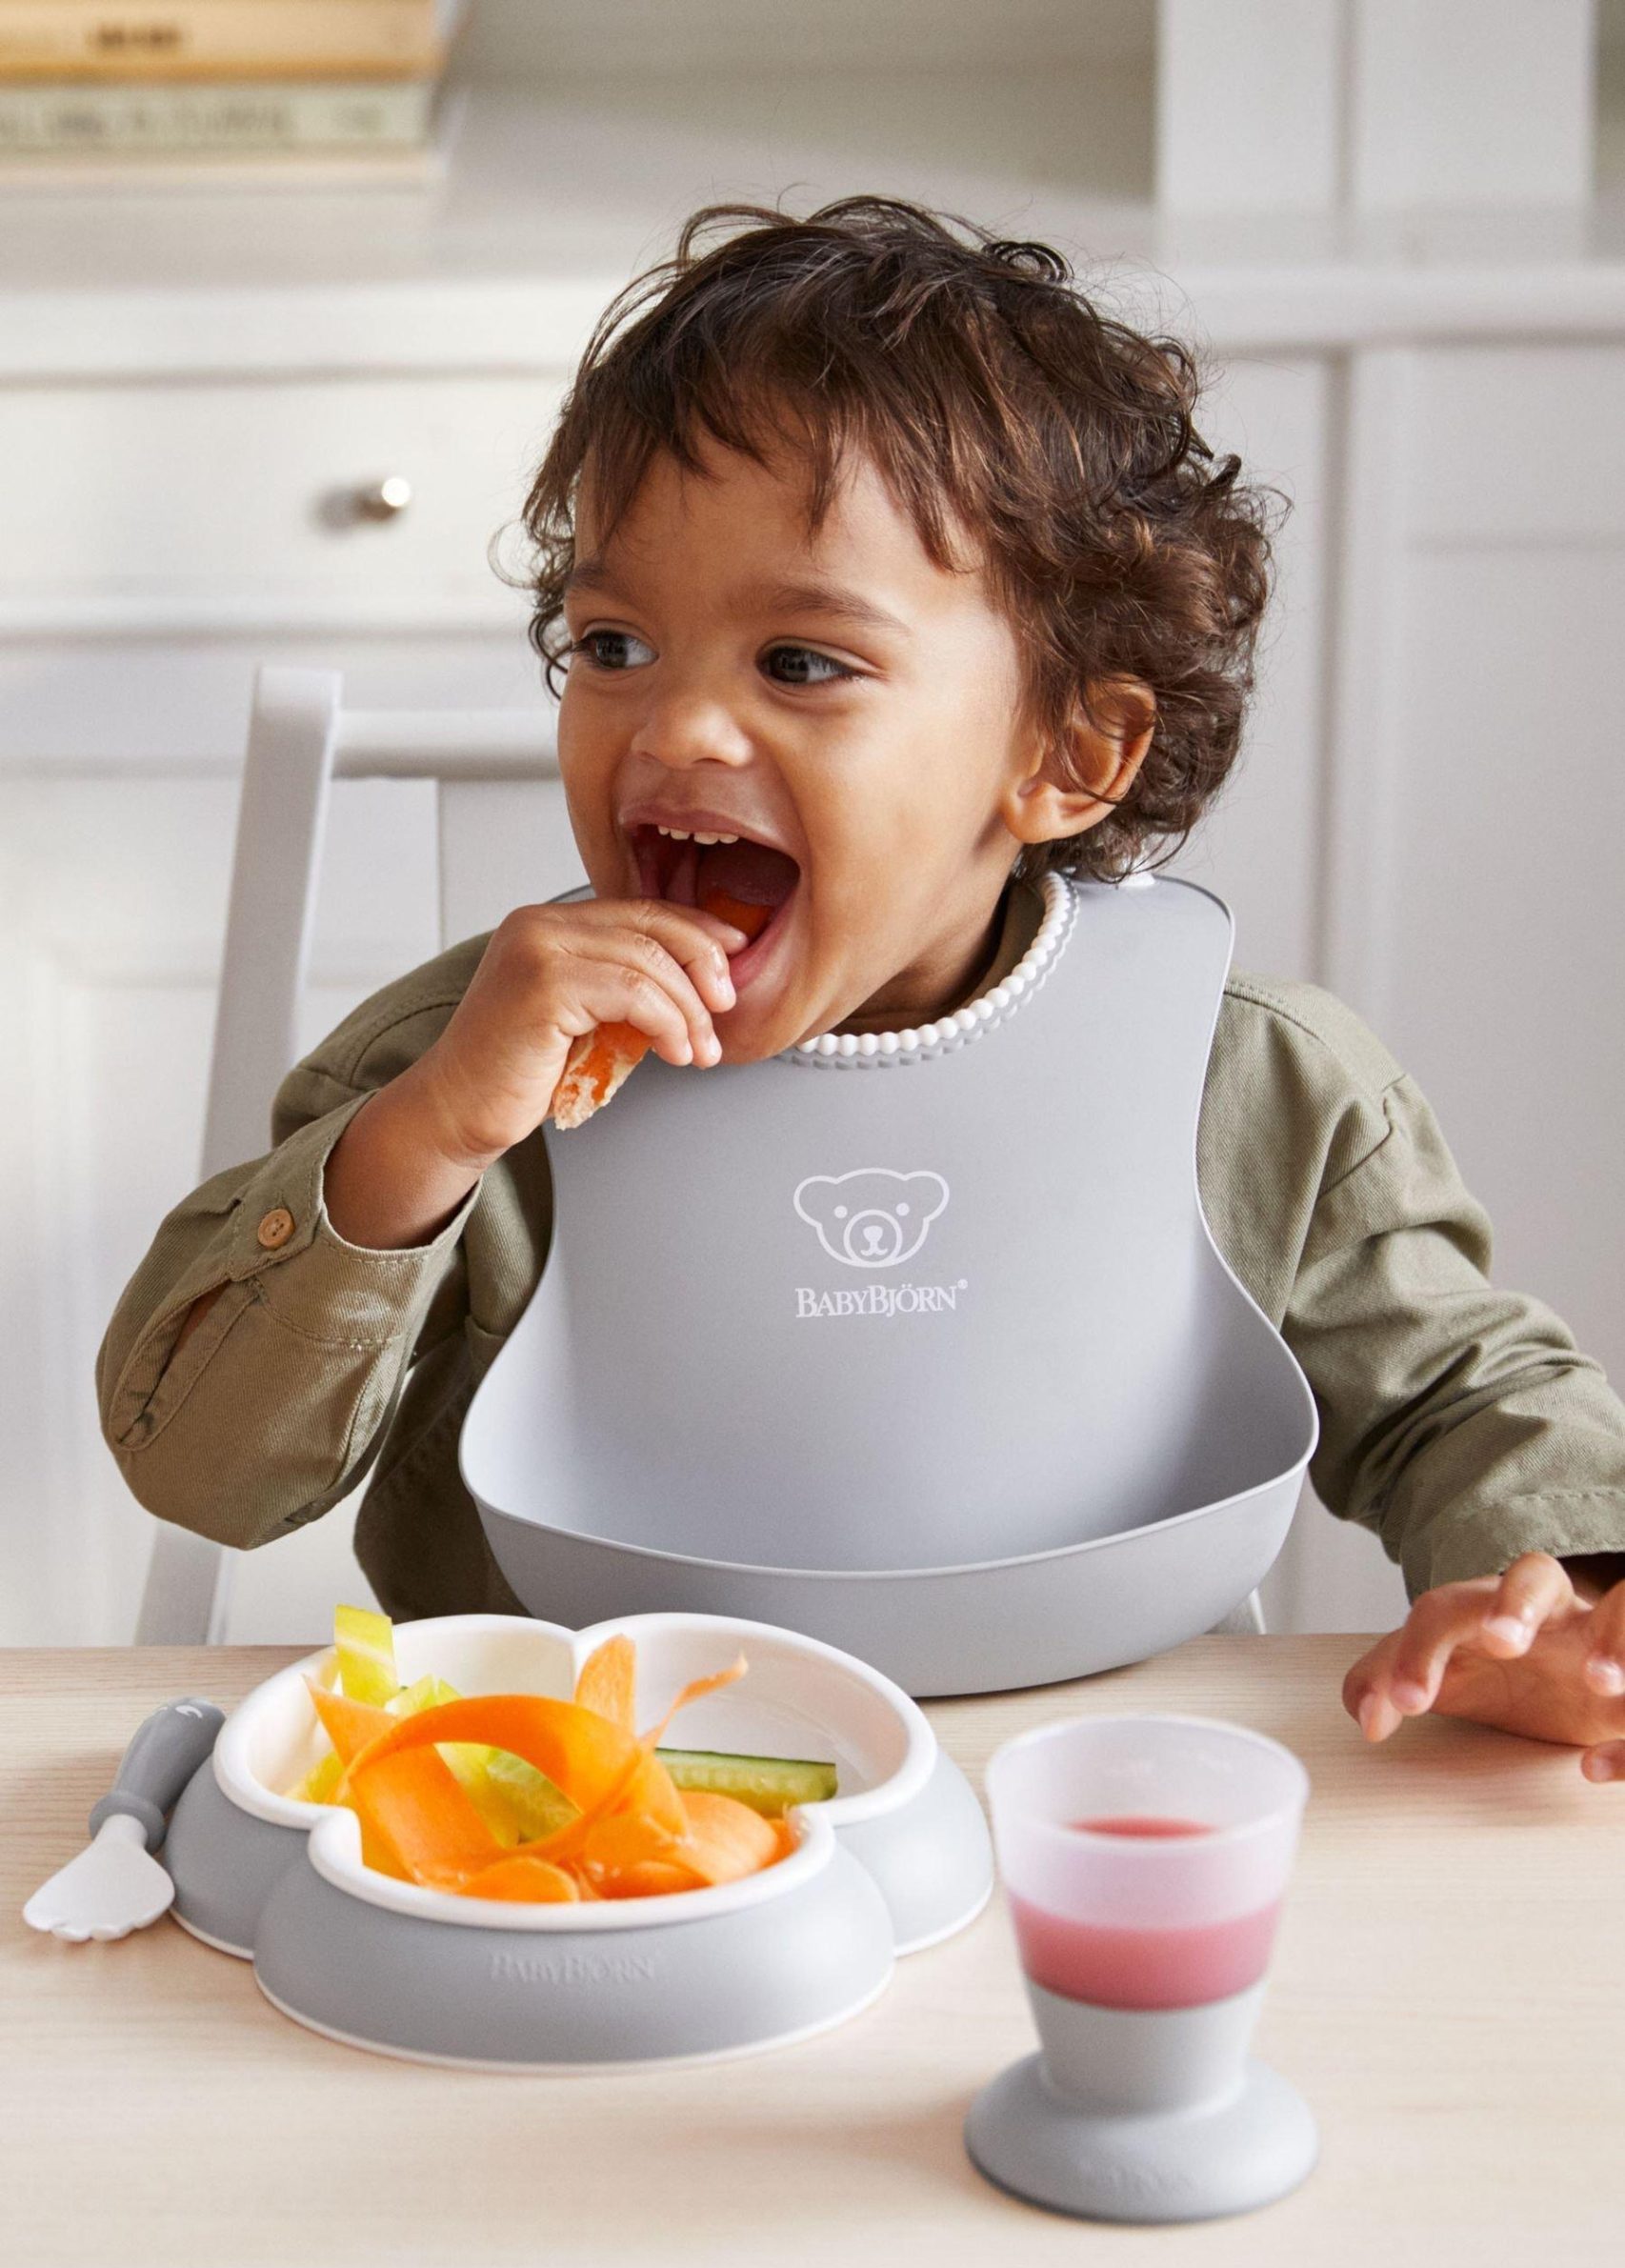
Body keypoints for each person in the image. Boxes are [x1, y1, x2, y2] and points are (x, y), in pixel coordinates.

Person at [98, 198, 1625, 1782]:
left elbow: (1461, 1395)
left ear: (1068, 753)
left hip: (1100, 1783)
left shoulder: (1254, 1083)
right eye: (611, 644)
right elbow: (202, 1474)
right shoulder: (466, 1069)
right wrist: (425, 1138)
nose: (673, 730)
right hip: (585, 1812)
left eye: (800, 663)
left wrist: (1563, 1604)